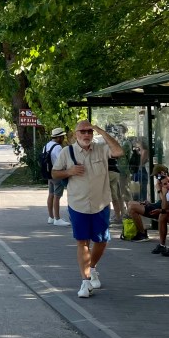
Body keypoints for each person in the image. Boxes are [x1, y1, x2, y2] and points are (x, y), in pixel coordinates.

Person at [50, 119, 124, 298]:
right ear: (75, 134)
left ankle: (92, 268)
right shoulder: (67, 152)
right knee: (82, 241)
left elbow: (118, 151)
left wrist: (100, 130)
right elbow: (54, 173)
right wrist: (69, 172)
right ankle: (85, 281)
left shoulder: (101, 148)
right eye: (82, 131)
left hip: (100, 204)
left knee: (101, 241)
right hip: (78, 204)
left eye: (89, 131)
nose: (86, 134)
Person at [125, 163, 169, 240]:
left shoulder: (167, 184)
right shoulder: (162, 182)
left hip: (161, 209)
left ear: (162, 173)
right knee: (130, 203)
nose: (156, 178)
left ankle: (142, 233)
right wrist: (150, 203)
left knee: (132, 208)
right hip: (157, 205)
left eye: (157, 176)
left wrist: (159, 190)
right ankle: (141, 230)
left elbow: (165, 204)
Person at [44, 128, 70, 226]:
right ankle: (57, 218)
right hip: (57, 173)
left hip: (49, 173)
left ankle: (51, 217)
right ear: (58, 137)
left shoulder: (47, 145)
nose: (63, 138)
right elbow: (62, 161)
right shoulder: (58, 147)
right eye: (62, 136)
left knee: (51, 194)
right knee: (57, 196)